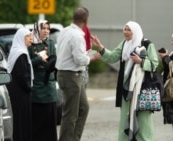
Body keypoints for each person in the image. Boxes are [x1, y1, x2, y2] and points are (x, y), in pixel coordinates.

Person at [91, 21, 159, 141]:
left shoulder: (147, 44)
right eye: (124, 29)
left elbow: (154, 64)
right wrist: (100, 47)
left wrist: (141, 61)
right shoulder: (124, 44)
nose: (125, 32)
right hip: (126, 90)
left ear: (135, 31)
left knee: (144, 122)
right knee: (125, 122)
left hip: (142, 90)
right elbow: (112, 57)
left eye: (129, 30)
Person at [56, 7, 100, 141]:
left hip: (68, 74)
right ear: (86, 20)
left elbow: (70, 54)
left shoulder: (64, 31)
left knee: (83, 108)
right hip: (71, 75)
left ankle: (74, 138)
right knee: (70, 113)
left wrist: (85, 55)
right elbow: (79, 59)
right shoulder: (77, 35)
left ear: (73, 18)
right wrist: (93, 57)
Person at [28, 20, 58, 141]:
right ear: (37, 29)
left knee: (50, 121)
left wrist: (51, 62)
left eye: (48, 28)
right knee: (37, 121)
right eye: (43, 28)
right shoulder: (30, 44)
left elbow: (54, 60)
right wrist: (39, 59)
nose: (46, 31)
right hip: (36, 86)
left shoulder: (50, 42)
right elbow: (28, 63)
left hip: (49, 85)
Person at [6, 28, 34, 141]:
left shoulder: (18, 51)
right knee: (21, 120)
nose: (31, 39)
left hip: (17, 91)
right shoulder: (20, 54)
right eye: (28, 36)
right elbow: (22, 75)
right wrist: (29, 88)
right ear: (21, 38)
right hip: (20, 93)